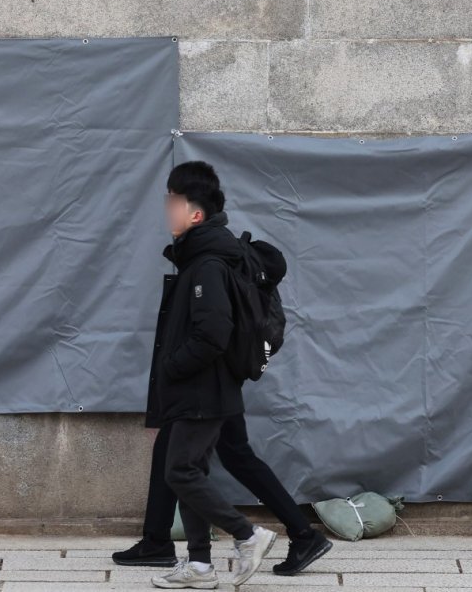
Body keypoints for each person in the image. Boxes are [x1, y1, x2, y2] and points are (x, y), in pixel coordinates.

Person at [120, 162, 330, 589]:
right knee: (194, 463)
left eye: (173, 202)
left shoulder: (208, 264)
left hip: (203, 386)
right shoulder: (201, 256)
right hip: (203, 386)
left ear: (195, 213)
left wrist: (172, 367)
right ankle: (191, 558)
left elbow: (214, 332)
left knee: (183, 468)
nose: (167, 210)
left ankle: (247, 535)